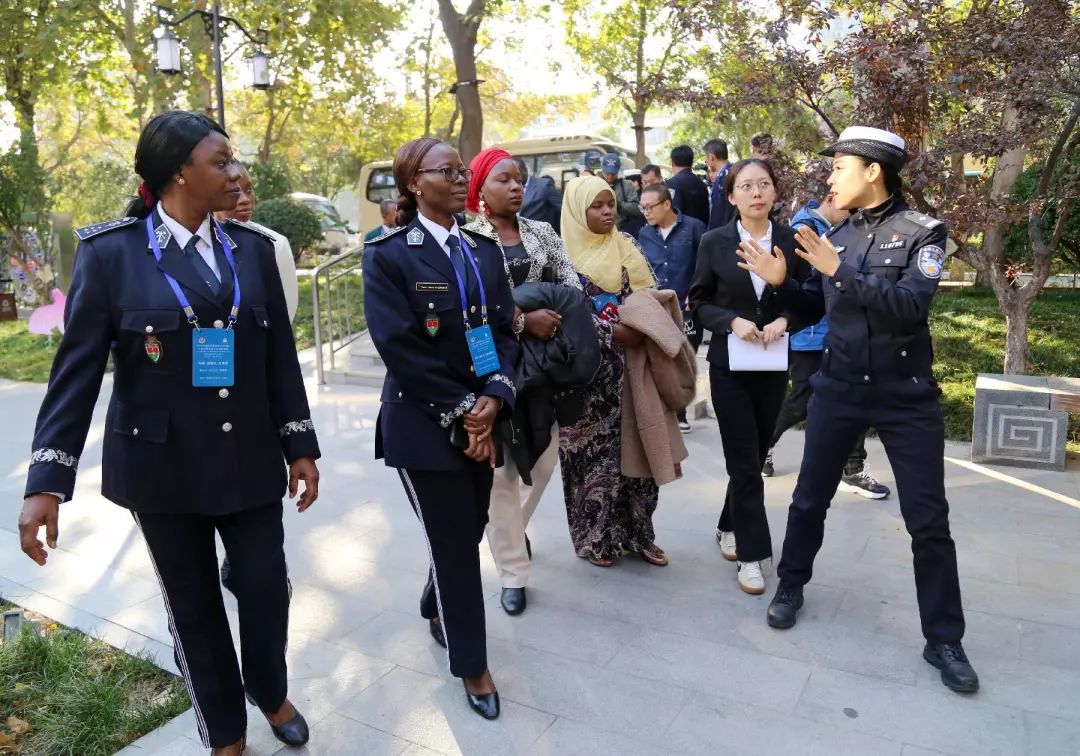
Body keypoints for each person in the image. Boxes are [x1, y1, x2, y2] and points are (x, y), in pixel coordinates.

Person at [17, 111, 320, 755]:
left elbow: (279, 361)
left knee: (267, 588)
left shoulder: (256, 251)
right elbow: (76, 375)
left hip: (249, 458)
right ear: (179, 172)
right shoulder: (110, 254)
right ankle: (226, 733)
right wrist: (48, 479)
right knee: (196, 608)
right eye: (221, 161)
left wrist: (300, 444)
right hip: (162, 469)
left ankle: (269, 688)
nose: (237, 172)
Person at [736, 126, 979, 693]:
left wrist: (837, 271)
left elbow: (907, 308)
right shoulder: (835, 236)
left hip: (905, 394)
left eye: (839, 166)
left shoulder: (923, 233)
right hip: (839, 387)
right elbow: (816, 303)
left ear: (873, 171)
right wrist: (781, 286)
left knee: (928, 521)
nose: (830, 176)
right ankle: (791, 585)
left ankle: (943, 637)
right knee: (807, 499)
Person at [362, 137, 518, 719]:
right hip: (422, 423)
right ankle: (473, 668)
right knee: (455, 544)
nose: (460, 179)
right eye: (446, 171)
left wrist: (495, 396)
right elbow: (397, 345)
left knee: (468, 526)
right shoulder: (388, 253)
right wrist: (462, 409)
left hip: (484, 410)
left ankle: (434, 602)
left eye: (462, 171)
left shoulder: (481, 249)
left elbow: (502, 330)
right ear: (413, 184)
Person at [463, 147, 581, 617]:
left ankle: (510, 528)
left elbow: (570, 287)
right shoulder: (467, 238)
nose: (517, 187)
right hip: (491, 366)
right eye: (504, 179)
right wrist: (520, 318)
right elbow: (468, 306)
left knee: (545, 458)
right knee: (501, 475)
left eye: (520, 179)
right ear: (480, 190)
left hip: (544, 369)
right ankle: (513, 571)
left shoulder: (542, 232)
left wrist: (550, 316)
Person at [688, 158, 810, 595]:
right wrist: (730, 322)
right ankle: (753, 554)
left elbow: (811, 301)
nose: (756, 192)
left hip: (774, 365)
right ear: (732, 195)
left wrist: (786, 319)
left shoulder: (792, 240)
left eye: (764, 184)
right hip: (729, 367)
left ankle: (728, 525)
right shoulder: (714, 242)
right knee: (743, 461)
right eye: (746, 186)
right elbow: (698, 301)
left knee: (753, 457)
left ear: (775, 192)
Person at [558, 175, 666, 568]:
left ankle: (640, 534)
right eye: (596, 206)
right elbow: (560, 317)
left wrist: (642, 324)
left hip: (634, 372)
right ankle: (594, 538)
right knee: (592, 460)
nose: (607, 212)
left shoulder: (628, 246)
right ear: (577, 210)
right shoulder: (560, 257)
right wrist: (609, 331)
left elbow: (652, 295)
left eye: (610, 205)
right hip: (586, 382)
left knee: (640, 457)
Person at [761, 192, 891, 500]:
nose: (854, 216)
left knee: (857, 396)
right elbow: (806, 290)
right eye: (851, 210)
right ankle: (762, 444)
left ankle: (852, 468)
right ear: (833, 199)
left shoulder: (846, 230)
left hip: (843, 332)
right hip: (811, 334)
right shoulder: (804, 231)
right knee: (802, 400)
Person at [637, 182, 705, 432]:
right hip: (657, 306)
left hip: (687, 305)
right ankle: (668, 412)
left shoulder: (694, 228)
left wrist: (697, 293)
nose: (646, 212)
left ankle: (680, 411)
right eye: (642, 207)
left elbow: (705, 263)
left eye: (650, 207)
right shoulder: (644, 233)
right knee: (660, 358)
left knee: (684, 358)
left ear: (667, 204)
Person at [214, 162, 299, 321]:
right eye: (234, 191)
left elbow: (286, 312)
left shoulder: (274, 244)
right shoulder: (194, 242)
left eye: (248, 190)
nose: (245, 199)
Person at [599, 153, 644, 236]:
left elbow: (637, 209)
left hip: (622, 232)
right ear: (602, 169)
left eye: (613, 174)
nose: (610, 176)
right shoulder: (595, 185)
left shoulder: (627, 185)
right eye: (607, 173)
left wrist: (618, 204)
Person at [666, 145, 710, 225]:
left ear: (673, 163)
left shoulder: (671, 184)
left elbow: (672, 213)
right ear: (691, 162)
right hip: (702, 233)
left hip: (681, 233)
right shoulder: (702, 184)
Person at [516, 157, 563, 233]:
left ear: (525, 170)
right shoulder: (508, 188)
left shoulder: (544, 185)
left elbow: (561, 209)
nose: (514, 177)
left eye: (517, 173)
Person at [705, 138, 733, 231]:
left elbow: (728, 209)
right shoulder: (723, 174)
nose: (706, 161)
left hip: (725, 230)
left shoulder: (729, 175)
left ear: (711, 157)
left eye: (706, 157)